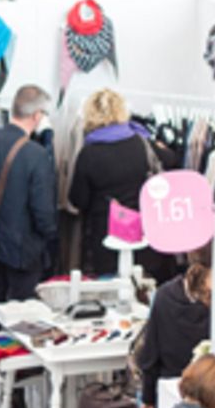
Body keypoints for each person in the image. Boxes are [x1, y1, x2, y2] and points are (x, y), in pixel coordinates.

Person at [0, 85, 56, 334]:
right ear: (36, 115)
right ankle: (15, 358)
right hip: (24, 247)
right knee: (22, 311)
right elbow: (43, 211)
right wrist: (49, 237)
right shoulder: (36, 155)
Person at [67, 89, 160, 279]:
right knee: (138, 286)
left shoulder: (89, 154)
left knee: (107, 288)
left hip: (105, 237)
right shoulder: (140, 142)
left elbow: (78, 200)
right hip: (140, 233)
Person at [132, 247, 211, 408]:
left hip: (170, 391)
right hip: (211, 392)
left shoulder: (164, 295)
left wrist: (148, 398)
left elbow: (151, 353)